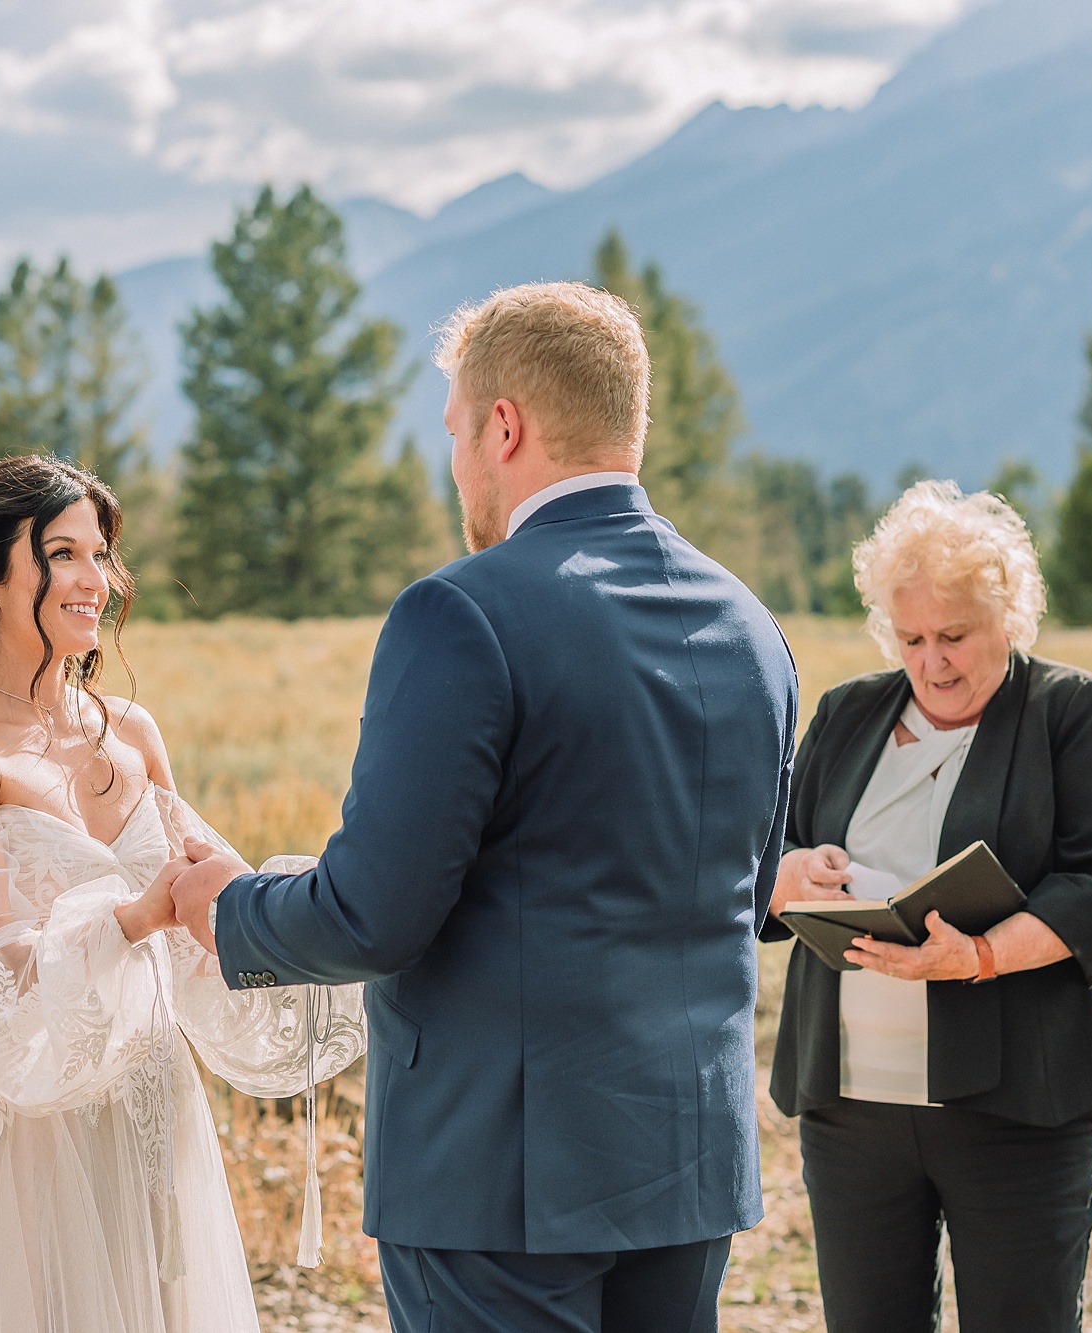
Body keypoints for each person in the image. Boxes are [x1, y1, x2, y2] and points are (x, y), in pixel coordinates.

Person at [163, 281, 800, 1333]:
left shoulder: (459, 611)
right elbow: (747, 891)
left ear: (505, 427)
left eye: (457, 430)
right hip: (685, 1163)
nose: (455, 461)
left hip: (498, 1170)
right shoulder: (749, 625)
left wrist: (228, 903)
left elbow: (373, 913)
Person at [0, 454, 365, 1333]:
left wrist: (305, 910)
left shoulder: (133, 732)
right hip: (29, 1137)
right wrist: (134, 918)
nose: (94, 579)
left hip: (151, 1110)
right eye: (62, 554)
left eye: (101, 555)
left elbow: (214, 900)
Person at [763, 480, 1092, 1333]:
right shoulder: (846, 714)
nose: (932, 660)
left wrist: (976, 957)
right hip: (852, 1108)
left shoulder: (1071, 713)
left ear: (1008, 615)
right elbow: (766, 863)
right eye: (911, 638)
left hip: (1016, 1106)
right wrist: (794, 873)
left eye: (954, 635)